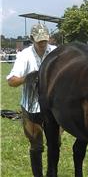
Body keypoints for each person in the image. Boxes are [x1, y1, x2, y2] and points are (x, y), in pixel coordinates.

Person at [7, 23, 56, 177]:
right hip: (31, 107)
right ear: (32, 39)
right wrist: (27, 77)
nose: (42, 44)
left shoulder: (55, 52)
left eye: (45, 40)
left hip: (52, 107)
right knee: (36, 146)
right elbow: (11, 81)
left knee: (55, 144)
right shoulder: (24, 55)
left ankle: (51, 173)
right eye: (39, 40)